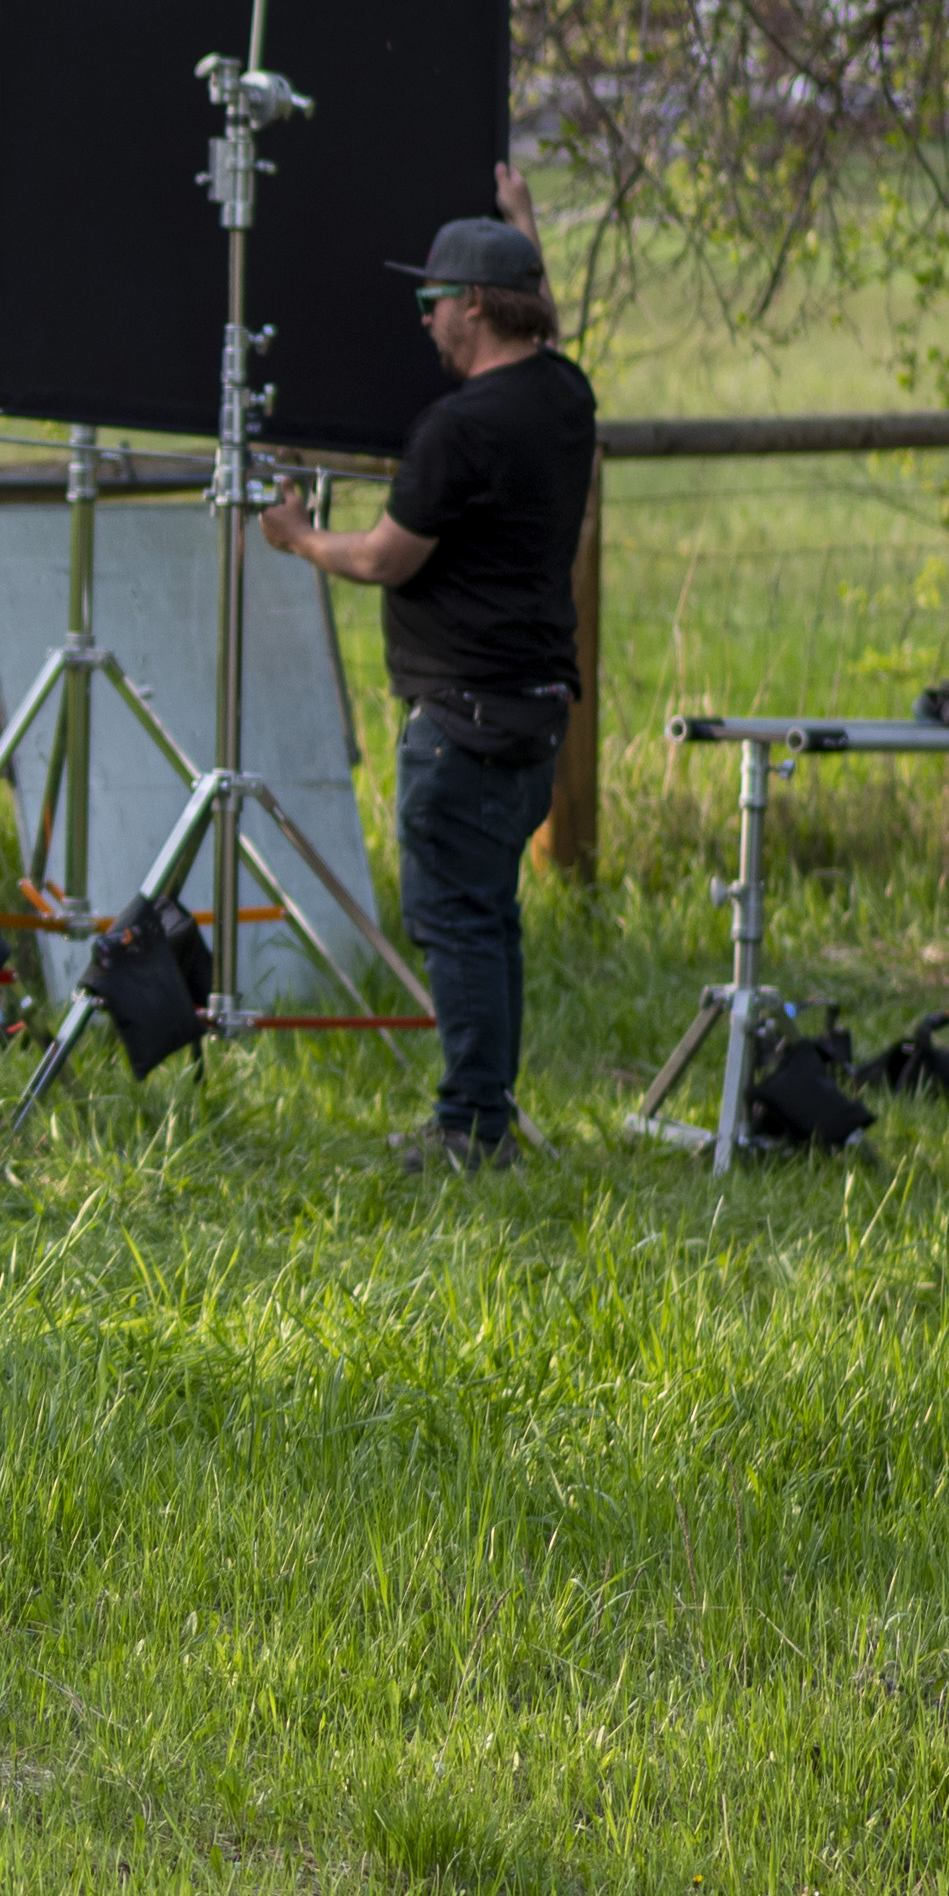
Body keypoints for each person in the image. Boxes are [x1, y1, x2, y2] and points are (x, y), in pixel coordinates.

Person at [261, 175, 593, 1166]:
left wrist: (297, 537)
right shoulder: (564, 394)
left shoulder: (458, 429)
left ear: (476, 305)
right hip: (533, 712)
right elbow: (545, 320)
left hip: (462, 722)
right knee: (489, 918)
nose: (423, 318)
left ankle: (469, 1131)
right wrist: (521, 224)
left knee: (457, 925)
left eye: (432, 299)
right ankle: (487, 1114)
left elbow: (382, 558)